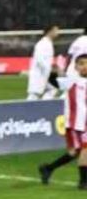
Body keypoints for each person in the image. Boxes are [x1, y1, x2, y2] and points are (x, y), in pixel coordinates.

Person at [37, 53, 87, 189]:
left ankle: (48, 168)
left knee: (74, 153)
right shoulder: (72, 81)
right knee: (84, 150)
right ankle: (83, 182)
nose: (85, 66)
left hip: (85, 124)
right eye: (81, 63)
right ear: (76, 67)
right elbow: (54, 81)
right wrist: (53, 72)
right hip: (75, 124)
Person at [26, 24, 61, 101]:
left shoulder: (48, 43)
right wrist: (48, 69)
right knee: (34, 95)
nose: (57, 32)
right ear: (50, 31)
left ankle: (45, 105)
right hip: (39, 73)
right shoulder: (42, 43)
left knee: (53, 88)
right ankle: (27, 108)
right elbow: (39, 59)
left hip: (45, 73)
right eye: (56, 30)